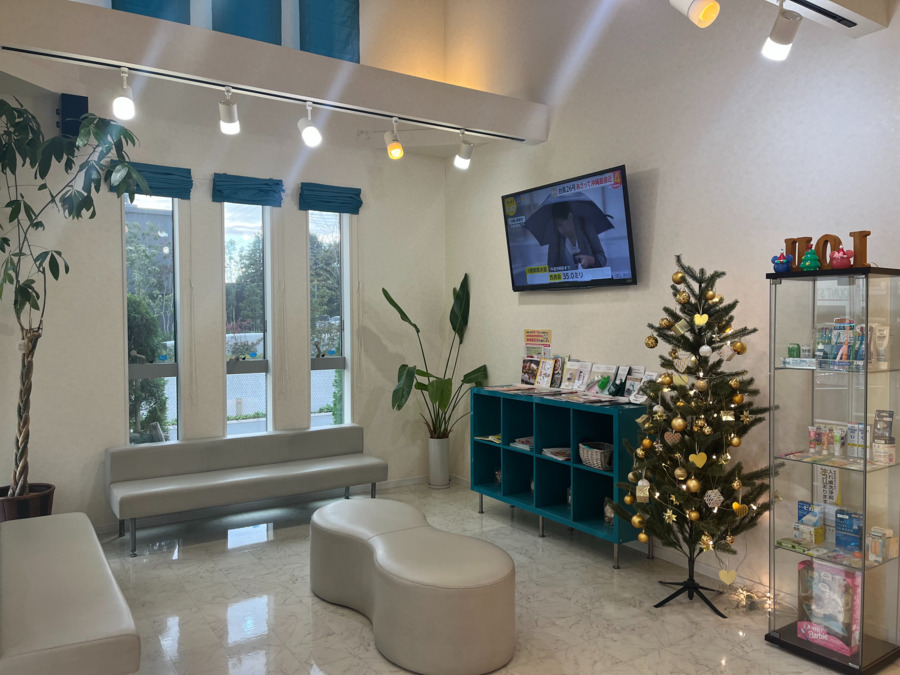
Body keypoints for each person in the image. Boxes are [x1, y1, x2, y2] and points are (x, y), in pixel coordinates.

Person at [546, 201, 607, 269]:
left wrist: (589, 260)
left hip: (589, 274)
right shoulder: (556, 237)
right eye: (557, 225)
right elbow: (550, 266)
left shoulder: (585, 227)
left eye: (561, 224)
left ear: (570, 217)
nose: (561, 229)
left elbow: (602, 259)